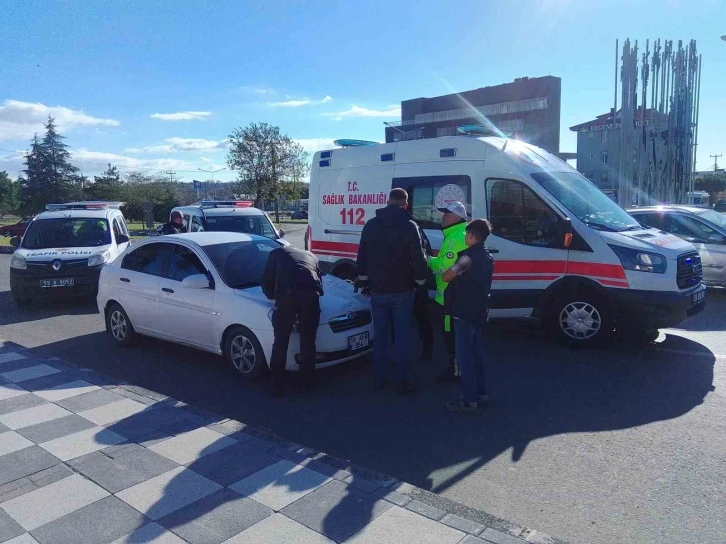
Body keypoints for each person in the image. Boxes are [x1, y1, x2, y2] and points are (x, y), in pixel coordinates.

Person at [355, 188, 428, 394]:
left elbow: (362, 256)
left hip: (378, 290)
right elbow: (419, 257)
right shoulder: (409, 225)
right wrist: (420, 281)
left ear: (388, 201)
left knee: (380, 334)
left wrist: (364, 280)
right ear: (405, 204)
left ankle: (379, 378)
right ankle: (402, 380)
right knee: (402, 335)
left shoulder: (371, 224)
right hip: (403, 290)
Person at [442, 219, 494, 414]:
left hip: (464, 311)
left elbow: (447, 276)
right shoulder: (487, 255)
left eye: (466, 234)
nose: (465, 237)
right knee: (477, 355)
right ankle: (482, 395)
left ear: (472, 235)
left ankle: (468, 400)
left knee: (465, 358)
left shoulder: (467, 258)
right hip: (480, 311)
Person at [261, 245, 324, 397]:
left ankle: (277, 384)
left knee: (281, 340)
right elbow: (319, 281)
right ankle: (305, 383)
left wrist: (274, 297)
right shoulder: (311, 255)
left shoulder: (275, 253)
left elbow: (267, 282)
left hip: (288, 295)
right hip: (311, 296)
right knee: (308, 341)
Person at [427, 201, 469, 383]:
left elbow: (443, 267)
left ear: (457, 218)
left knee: (451, 335)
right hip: (452, 296)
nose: (443, 216)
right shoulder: (456, 233)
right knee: (451, 334)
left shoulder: (455, 237)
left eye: (447, 214)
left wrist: (427, 259)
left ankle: (456, 372)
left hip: (449, 298)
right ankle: (456, 368)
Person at [413, 224, 434, 360]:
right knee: (422, 318)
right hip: (417, 283)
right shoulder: (414, 228)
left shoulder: (414, 228)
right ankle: (427, 349)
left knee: (422, 318)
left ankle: (427, 349)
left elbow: (424, 255)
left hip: (409, 284)